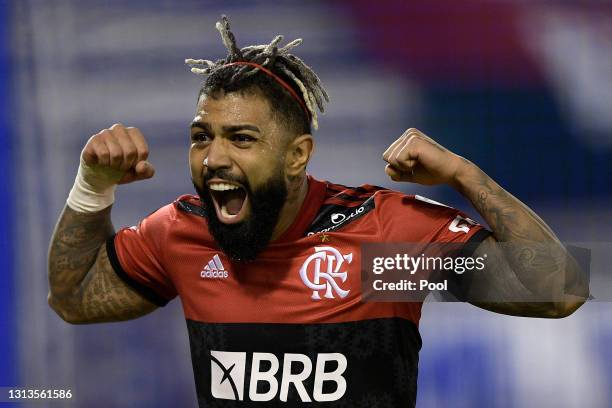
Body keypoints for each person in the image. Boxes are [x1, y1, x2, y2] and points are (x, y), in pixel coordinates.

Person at [47, 16, 589, 407]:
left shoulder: (381, 242)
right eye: (201, 137)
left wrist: (465, 175)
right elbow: (73, 300)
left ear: (297, 155)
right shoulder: (183, 234)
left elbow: (556, 290)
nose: (214, 158)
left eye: (241, 139)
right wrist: (92, 187)